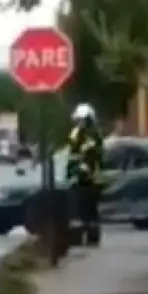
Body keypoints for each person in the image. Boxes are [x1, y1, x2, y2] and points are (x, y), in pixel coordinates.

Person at [66, 103, 104, 247]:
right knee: (80, 210)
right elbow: (72, 153)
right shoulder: (77, 133)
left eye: (81, 120)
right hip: (80, 177)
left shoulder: (93, 135)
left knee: (87, 210)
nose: (79, 122)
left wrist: (83, 166)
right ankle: (80, 237)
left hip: (88, 178)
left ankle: (90, 237)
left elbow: (93, 155)